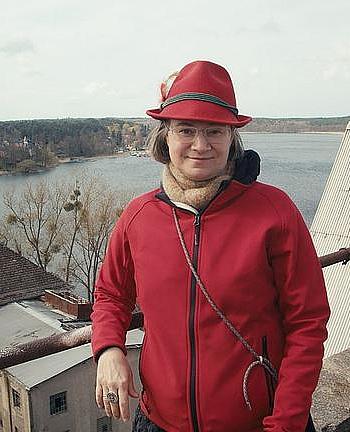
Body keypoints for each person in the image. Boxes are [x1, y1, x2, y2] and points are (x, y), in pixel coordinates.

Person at [91, 60, 330, 432]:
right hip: (159, 422)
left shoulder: (275, 212)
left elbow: (307, 324)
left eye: (215, 131)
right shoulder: (138, 216)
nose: (200, 146)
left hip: (259, 423)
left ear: (232, 139)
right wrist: (108, 349)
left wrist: (285, 423)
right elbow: (110, 293)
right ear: (165, 137)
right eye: (186, 129)